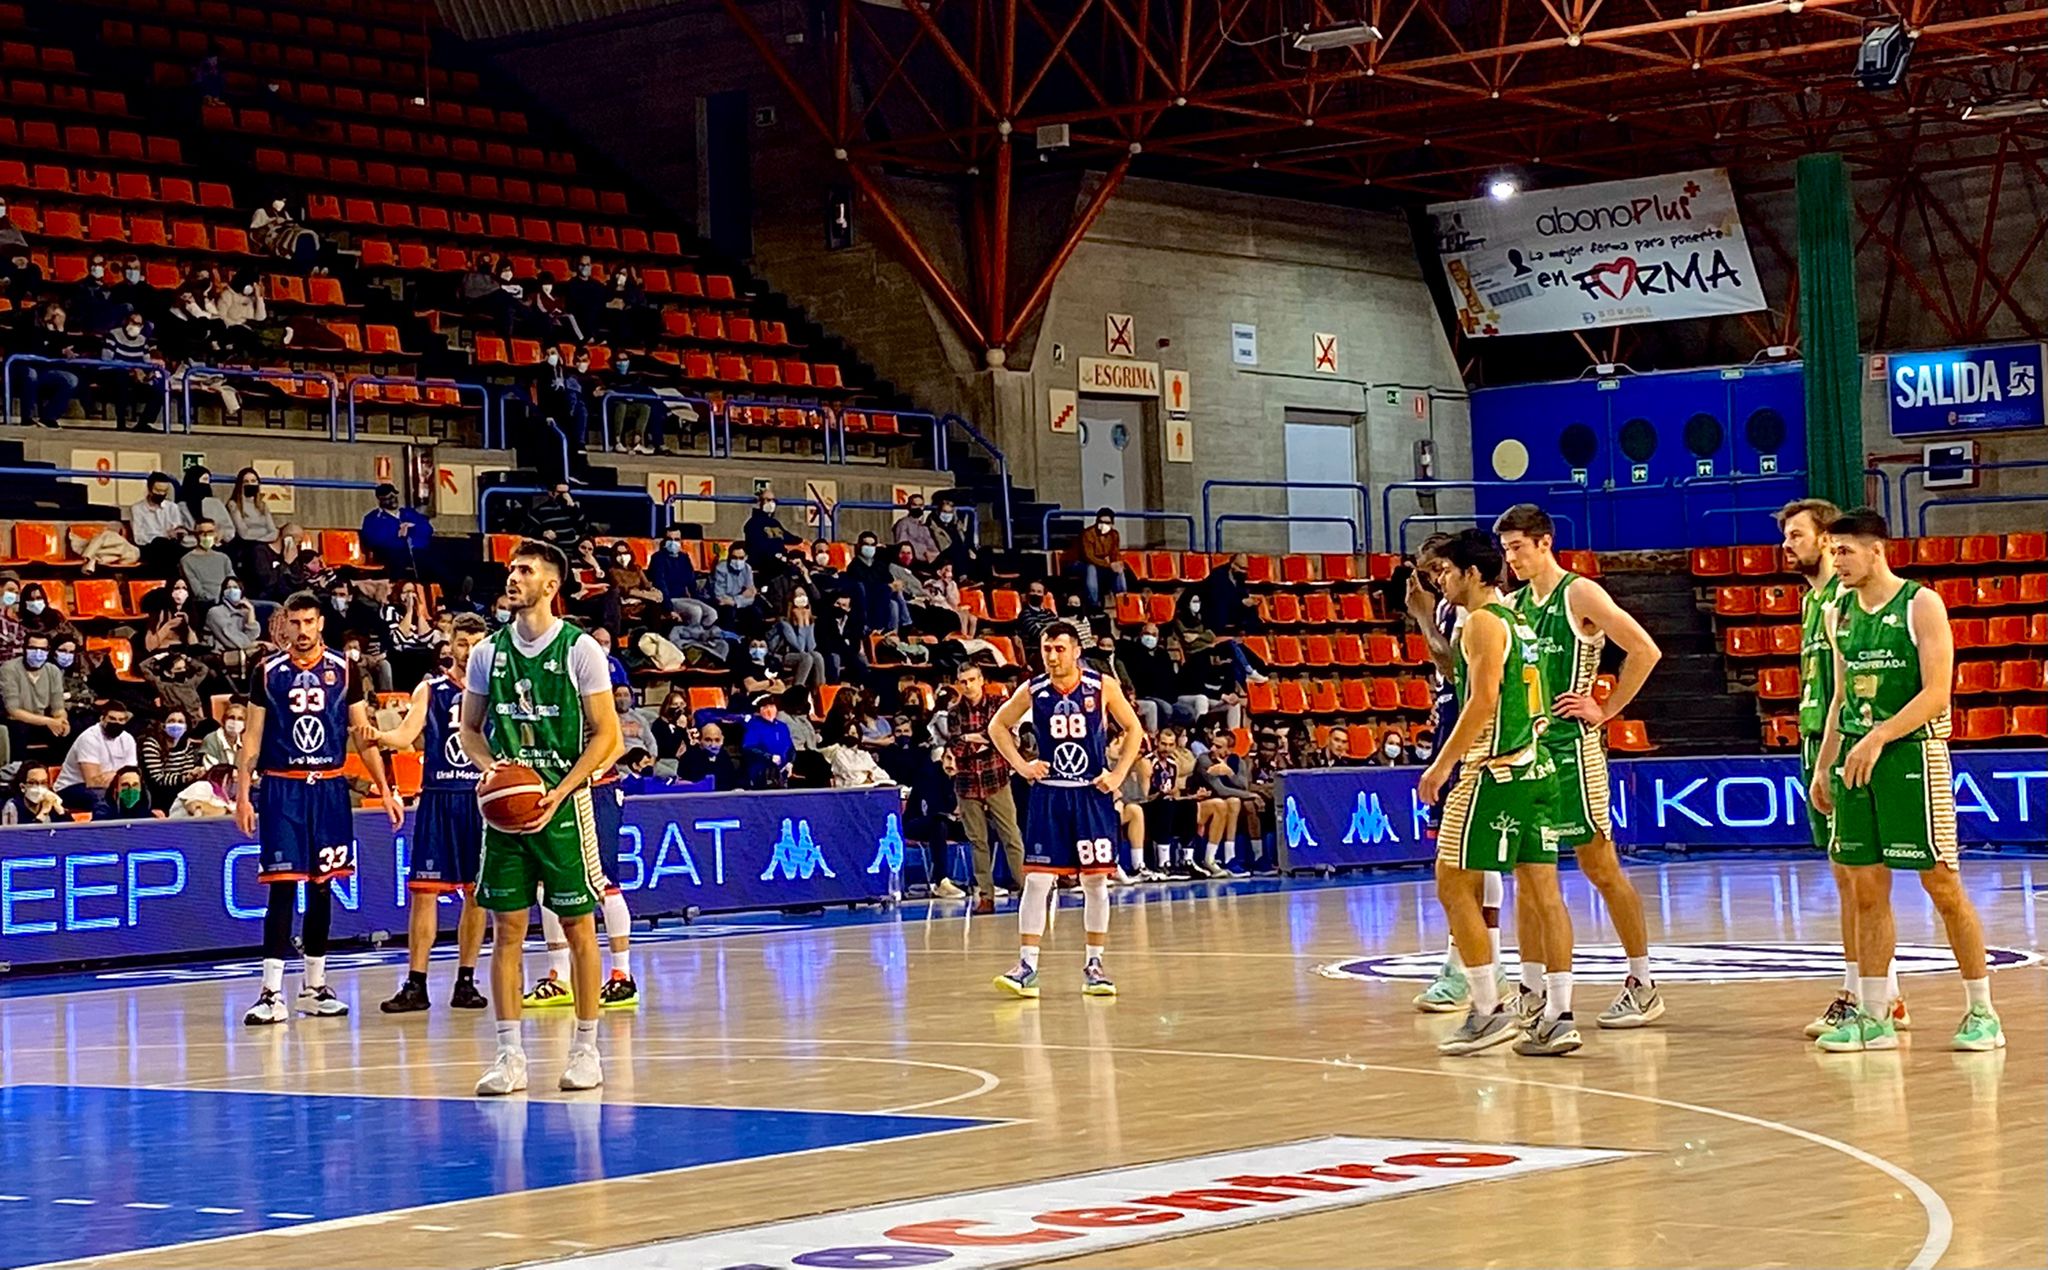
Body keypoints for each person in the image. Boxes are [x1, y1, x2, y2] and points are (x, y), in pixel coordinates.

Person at [1809, 509, 2001, 1054]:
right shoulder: (1838, 613)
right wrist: (1826, 764)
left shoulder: (1920, 604)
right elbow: (1841, 697)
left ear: (1876, 551)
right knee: (1866, 890)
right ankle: (1874, 1016)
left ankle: (1982, 1010)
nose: (1837, 560)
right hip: (1854, 761)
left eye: (1845, 550)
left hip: (1912, 757)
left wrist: (1880, 736)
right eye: (1833, 551)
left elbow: (1938, 694)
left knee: (1942, 885)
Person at [459, 542, 624, 1094]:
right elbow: (470, 731)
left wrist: (561, 790)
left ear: (551, 586)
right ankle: (510, 1056)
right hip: (506, 814)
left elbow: (609, 735)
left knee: (578, 927)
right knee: (506, 931)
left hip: (564, 806)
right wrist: (491, 772)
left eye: (525, 571)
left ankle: (586, 1049)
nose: (513, 577)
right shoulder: (487, 652)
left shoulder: (580, 651)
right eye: (511, 569)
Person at [1497, 503, 1664, 1030]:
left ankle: (1642, 982)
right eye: (1505, 551)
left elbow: (1645, 650)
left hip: (1573, 751)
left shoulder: (1579, 593)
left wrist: (1606, 709)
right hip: (1529, 753)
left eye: (1518, 548)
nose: (1512, 559)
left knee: (1600, 867)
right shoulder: (1514, 603)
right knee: (1529, 874)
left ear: (1544, 542)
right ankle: (1530, 987)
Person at [1418, 528, 1579, 1058]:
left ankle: (1488, 1009)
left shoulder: (1484, 622)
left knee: (1452, 883)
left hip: (1496, 771)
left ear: (1472, 573)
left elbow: (1483, 700)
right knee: (1543, 894)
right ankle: (1558, 1015)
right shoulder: (1520, 618)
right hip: (1541, 769)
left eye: (1445, 572)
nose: (1438, 580)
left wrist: (1441, 766)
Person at [235, 592, 407, 1025]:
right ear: (284, 626)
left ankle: (315, 985)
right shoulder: (267, 672)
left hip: (329, 790)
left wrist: (385, 790)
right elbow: (252, 738)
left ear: (321, 623)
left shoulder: (343, 668)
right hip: (283, 788)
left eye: (310, 621)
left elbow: (361, 734)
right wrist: (241, 794)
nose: (303, 630)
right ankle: (270, 992)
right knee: (282, 886)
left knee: (323, 886)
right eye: (295, 622)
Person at [1777, 498, 1906, 1040]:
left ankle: (1864, 995)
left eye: (1798, 535)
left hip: (1848, 744)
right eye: (1786, 536)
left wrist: (1830, 758)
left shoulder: (1844, 598)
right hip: (1817, 739)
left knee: (1861, 880)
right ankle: (1885, 994)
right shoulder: (1813, 602)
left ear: (1830, 540)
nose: (1788, 545)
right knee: (1847, 880)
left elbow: (1843, 692)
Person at [989, 621, 1144, 998]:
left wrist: (1119, 773)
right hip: (1050, 794)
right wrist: (1022, 766)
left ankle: (1094, 964)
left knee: (1094, 882)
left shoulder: (1102, 685)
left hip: (1091, 794)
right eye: (1047, 649)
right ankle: (1027, 965)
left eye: (1059, 648)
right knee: (1038, 880)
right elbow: (998, 726)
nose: (1052, 656)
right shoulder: (1033, 689)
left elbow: (1134, 729)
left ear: (1076, 650)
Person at [371, 613, 494, 1013]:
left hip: (480, 798)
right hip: (439, 795)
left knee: (477, 895)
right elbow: (406, 736)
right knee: (424, 894)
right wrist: (378, 736)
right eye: (462, 643)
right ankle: (416, 983)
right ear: (450, 645)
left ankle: (465, 980)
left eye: (476, 644)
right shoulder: (432, 688)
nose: (469, 651)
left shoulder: (499, 690)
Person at [1406, 535, 1507, 1012]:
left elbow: (1457, 673)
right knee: (1465, 859)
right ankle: (1485, 967)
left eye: (1440, 569)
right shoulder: (1458, 606)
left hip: (1482, 739)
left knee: (1466, 860)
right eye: (1427, 572)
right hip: (1455, 722)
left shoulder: (1478, 612)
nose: (1433, 579)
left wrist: (1422, 615)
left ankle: (1473, 970)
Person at [944, 663, 1026, 914]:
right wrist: (983, 738)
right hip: (967, 783)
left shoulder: (997, 705)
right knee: (978, 841)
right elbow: (957, 747)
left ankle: (1025, 889)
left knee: (1011, 836)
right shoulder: (955, 713)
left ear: (981, 680)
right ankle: (985, 895)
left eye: (971, 680)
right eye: (963, 681)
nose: (967, 686)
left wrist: (975, 738)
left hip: (996, 778)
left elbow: (1005, 738)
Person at [54, 700, 137, 812]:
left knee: (136, 793)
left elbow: (131, 775)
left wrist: (113, 776)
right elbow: (93, 782)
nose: (116, 723)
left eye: (121, 720)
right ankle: (104, 829)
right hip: (71, 787)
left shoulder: (128, 739)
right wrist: (118, 777)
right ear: (102, 719)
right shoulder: (89, 738)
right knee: (102, 797)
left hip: (112, 787)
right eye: (112, 719)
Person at [2, 632, 69, 764]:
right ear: (24, 649)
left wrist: (61, 721)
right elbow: (13, 711)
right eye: (33, 648)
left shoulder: (53, 671)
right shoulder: (9, 669)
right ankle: (16, 772)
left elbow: (58, 707)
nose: (38, 653)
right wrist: (49, 721)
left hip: (42, 720)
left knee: (68, 732)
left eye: (43, 649)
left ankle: (56, 773)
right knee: (18, 730)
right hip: (16, 721)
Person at [138, 708, 204, 812]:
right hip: (159, 794)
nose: (176, 724)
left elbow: (187, 772)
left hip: (180, 791)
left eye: (180, 722)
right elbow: (157, 779)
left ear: (186, 727)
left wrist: (194, 774)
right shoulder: (151, 744)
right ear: (163, 726)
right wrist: (186, 778)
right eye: (171, 721)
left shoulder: (187, 744)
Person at [130, 471, 195, 576]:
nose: (161, 494)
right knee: (161, 544)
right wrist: (164, 535)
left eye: (164, 491)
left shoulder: (172, 507)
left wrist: (178, 533)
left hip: (171, 546)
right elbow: (139, 538)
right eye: (158, 490)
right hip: (149, 547)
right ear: (150, 489)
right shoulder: (137, 509)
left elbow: (177, 528)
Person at [361, 483, 432, 574]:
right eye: (388, 498)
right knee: (397, 559)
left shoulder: (409, 513)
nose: (392, 500)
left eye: (394, 496)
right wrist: (397, 534)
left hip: (418, 553)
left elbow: (428, 529)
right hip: (391, 556)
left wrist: (413, 527)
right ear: (380, 500)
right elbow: (370, 540)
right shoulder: (373, 518)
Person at [772, 592, 829, 689]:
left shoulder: (809, 620)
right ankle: (798, 690)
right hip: (782, 656)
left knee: (817, 655)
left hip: (801, 654)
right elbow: (800, 647)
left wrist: (807, 622)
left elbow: (811, 647)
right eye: (798, 596)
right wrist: (801, 623)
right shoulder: (784, 622)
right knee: (806, 658)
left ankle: (820, 691)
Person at [1076, 509, 1128, 611]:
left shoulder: (1114, 535)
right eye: (1101, 522)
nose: (1103, 525)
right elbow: (1088, 557)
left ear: (1112, 524)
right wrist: (1109, 565)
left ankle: (1123, 602)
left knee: (1119, 570)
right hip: (1081, 564)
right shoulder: (1088, 534)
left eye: (1107, 522)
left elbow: (1115, 553)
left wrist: (1116, 564)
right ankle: (1094, 605)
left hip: (1100, 564)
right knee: (1091, 568)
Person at [744, 488, 804, 576]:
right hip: (764, 562)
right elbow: (758, 547)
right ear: (760, 502)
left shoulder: (774, 522)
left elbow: (786, 536)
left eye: (773, 500)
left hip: (779, 560)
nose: (771, 503)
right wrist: (779, 556)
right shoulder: (752, 524)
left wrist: (801, 541)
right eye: (768, 500)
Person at [178, 517, 237, 605]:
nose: (206, 536)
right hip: (206, 604)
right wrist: (219, 602)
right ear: (195, 535)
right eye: (202, 533)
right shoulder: (186, 560)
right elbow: (198, 592)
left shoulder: (223, 558)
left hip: (227, 602)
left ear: (215, 534)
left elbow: (234, 583)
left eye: (210, 532)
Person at [525, 484, 589, 552]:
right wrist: (543, 533)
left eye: (566, 492)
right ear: (551, 493)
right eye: (560, 493)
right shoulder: (541, 510)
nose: (564, 496)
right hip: (553, 554)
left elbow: (584, 527)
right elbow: (529, 531)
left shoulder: (573, 508)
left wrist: (572, 506)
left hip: (573, 553)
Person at [893, 494, 938, 564]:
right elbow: (902, 546)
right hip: (913, 562)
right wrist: (924, 553)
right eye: (914, 504)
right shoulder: (903, 524)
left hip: (928, 562)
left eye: (920, 505)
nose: (918, 507)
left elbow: (931, 545)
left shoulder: (924, 527)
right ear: (909, 506)